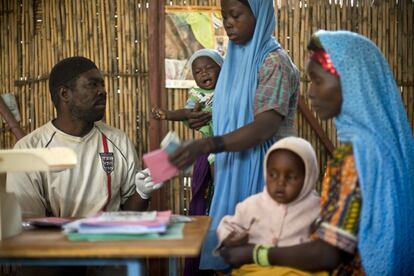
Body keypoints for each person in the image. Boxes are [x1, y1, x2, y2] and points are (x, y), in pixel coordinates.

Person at [219, 31, 414, 275]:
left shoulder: (354, 158)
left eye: (318, 80)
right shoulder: (392, 149)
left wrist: (255, 252)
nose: (310, 92)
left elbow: (329, 253)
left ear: (351, 83)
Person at [170, 0, 300, 271]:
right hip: (230, 170)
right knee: (231, 258)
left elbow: (264, 126)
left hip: (267, 175)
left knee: (259, 259)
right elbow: (228, 114)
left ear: (259, 13)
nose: (228, 22)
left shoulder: (273, 61)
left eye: (236, 14)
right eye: (224, 15)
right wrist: (207, 119)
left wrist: (209, 143)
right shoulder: (233, 64)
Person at [7, 56, 164, 218]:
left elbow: (130, 214)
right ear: (64, 94)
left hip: (110, 242)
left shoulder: (118, 141)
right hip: (57, 243)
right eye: (93, 84)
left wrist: (142, 192)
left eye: (102, 84)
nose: (103, 91)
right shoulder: (29, 150)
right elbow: (27, 223)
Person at [215, 137, 320, 252]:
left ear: (308, 178)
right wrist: (229, 238)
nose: (280, 183)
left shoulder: (317, 207)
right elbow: (228, 225)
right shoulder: (253, 204)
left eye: (291, 177)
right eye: (273, 175)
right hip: (255, 267)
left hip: (296, 268)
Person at [152, 48, 223, 216]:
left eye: (209, 68)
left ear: (222, 68)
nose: (203, 73)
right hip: (212, 144)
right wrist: (168, 114)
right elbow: (187, 112)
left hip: (233, 141)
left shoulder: (228, 89)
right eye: (197, 71)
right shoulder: (197, 95)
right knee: (218, 178)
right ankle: (220, 199)